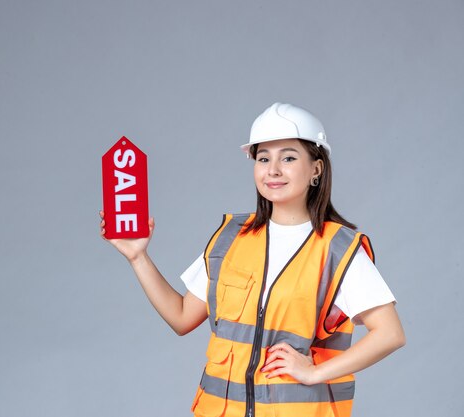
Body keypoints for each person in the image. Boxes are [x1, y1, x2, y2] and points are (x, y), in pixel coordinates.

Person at [99, 102, 405, 417]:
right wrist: (138, 257)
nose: (273, 169)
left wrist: (314, 372)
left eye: (288, 157)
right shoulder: (231, 238)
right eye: (263, 158)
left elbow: (390, 334)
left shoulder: (338, 249)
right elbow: (181, 317)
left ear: (316, 168)